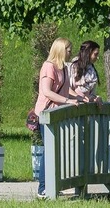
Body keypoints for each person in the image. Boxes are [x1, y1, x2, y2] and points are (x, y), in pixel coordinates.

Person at [29, 37, 74, 196]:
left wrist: (82, 99)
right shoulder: (49, 67)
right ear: (61, 50)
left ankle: (53, 186)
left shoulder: (64, 68)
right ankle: (43, 189)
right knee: (49, 151)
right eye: (68, 49)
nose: (71, 52)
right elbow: (47, 91)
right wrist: (68, 101)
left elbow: (66, 90)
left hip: (58, 114)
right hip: (47, 114)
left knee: (57, 151)